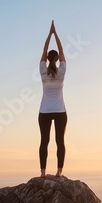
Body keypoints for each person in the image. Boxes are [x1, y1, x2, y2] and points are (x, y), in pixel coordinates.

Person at [38, 20, 67, 178]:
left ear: (48, 59)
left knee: (44, 141)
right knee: (60, 141)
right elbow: (62, 50)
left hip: (45, 111)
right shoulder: (62, 71)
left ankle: (42, 173)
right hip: (60, 111)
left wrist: (49, 34)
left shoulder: (43, 70)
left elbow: (44, 49)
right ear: (57, 59)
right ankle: (59, 172)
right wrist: (56, 34)